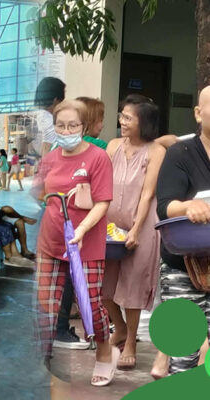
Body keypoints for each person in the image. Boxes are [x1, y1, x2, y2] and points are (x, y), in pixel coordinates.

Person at [33, 99, 115, 386]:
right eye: (60, 125)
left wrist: (80, 231)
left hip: (85, 242)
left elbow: (103, 203)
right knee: (46, 306)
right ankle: (43, 362)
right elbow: (41, 193)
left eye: (72, 125)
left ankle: (105, 353)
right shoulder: (50, 158)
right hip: (51, 242)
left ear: (84, 126)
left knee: (90, 304)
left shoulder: (97, 157)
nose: (66, 130)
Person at [101, 95, 164, 370]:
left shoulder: (156, 151)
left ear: (144, 122)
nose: (122, 121)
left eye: (128, 117)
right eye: (122, 116)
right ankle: (121, 327)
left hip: (143, 224)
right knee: (103, 287)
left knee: (133, 286)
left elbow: (148, 194)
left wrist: (136, 229)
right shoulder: (113, 146)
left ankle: (130, 343)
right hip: (110, 225)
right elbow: (99, 183)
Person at [155, 85, 210, 375]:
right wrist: (187, 207)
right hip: (182, 266)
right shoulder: (181, 153)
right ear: (198, 114)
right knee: (185, 356)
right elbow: (164, 206)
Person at [34, 77, 66, 157]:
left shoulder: (38, 115)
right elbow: (47, 149)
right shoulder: (48, 121)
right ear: (55, 100)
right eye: (61, 102)